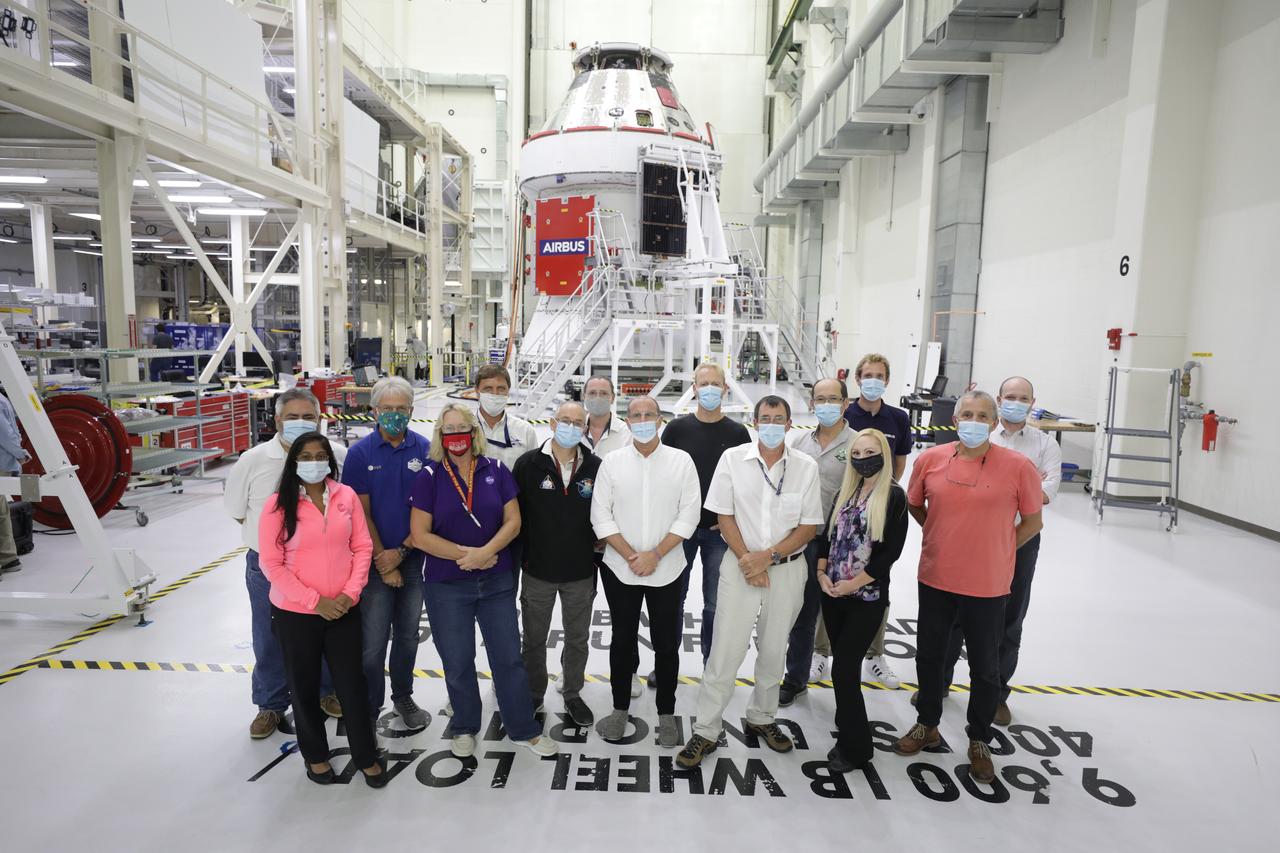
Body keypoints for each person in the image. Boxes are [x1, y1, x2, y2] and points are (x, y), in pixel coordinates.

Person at [893, 390, 1043, 785]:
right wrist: (941, 535)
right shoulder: (930, 459)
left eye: (981, 415)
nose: (973, 421)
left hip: (989, 583)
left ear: (993, 424)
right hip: (937, 576)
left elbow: (1032, 521)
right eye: (966, 414)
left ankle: (979, 737)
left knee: (985, 666)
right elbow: (915, 504)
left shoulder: (1019, 466)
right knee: (929, 655)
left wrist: (999, 549)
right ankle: (927, 724)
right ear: (954, 420)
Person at [677, 395, 823, 768]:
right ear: (755, 422)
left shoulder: (805, 467)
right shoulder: (733, 460)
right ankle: (706, 730)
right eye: (765, 417)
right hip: (739, 567)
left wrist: (768, 557)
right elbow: (723, 516)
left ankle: (763, 718)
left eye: (779, 418)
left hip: (787, 570)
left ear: (790, 425)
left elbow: (809, 526)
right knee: (725, 651)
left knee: (775, 650)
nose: (772, 424)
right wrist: (748, 560)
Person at [408, 403, 557, 759]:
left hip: (495, 581)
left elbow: (513, 522)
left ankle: (523, 728)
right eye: (449, 430)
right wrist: (467, 555)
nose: (456, 436)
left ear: (474, 433)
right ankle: (464, 724)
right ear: (440, 436)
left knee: (507, 658)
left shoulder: (496, 469)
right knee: (457, 659)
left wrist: (486, 552)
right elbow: (419, 536)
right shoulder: (428, 476)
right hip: (446, 584)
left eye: (463, 428)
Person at [256, 432, 387, 787]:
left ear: (329, 460)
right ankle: (315, 755)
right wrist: (316, 602)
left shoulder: (344, 497)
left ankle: (365, 754)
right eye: (306, 456)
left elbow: (361, 546)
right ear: (294, 462)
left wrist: (350, 592)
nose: (313, 462)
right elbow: (272, 564)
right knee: (304, 685)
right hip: (296, 613)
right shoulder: (276, 506)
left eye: (320, 455)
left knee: (352, 685)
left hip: (344, 608)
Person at [934, 376, 1060, 726]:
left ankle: (997, 695)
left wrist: (1010, 522)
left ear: (1033, 402)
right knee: (956, 612)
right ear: (998, 402)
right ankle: (940, 682)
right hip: (971, 538)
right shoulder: (979, 439)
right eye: (1009, 396)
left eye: (1023, 397)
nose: (1015, 402)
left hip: (1020, 537)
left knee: (1009, 618)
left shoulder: (1045, 445)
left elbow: (1045, 491)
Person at [224, 389, 348, 738]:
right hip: (267, 569)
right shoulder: (253, 460)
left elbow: (347, 507)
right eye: (292, 417)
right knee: (269, 635)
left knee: (323, 632)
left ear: (321, 419)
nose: (300, 423)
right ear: (276, 420)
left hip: (321, 567)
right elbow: (236, 512)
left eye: (308, 417)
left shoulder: (336, 456)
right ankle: (271, 705)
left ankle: (327, 693)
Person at [591, 395, 701, 747]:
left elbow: (689, 515)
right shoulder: (612, 462)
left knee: (667, 643)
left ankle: (666, 713)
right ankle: (620, 708)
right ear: (627, 419)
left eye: (648, 414)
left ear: (659, 419)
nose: (642, 419)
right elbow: (600, 516)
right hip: (619, 568)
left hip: (667, 567)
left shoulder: (681, 462)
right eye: (635, 415)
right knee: (622, 641)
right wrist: (631, 556)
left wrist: (654, 554)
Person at [340, 376, 431, 730]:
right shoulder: (359, 454)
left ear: (411, 411)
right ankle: (369, 704)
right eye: (387, 409)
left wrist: (401, 553)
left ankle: (403, 696)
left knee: (408, 636)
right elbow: (359, 513)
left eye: (401, 409)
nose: (394, 415)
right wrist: (383, 558)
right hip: (373, 562)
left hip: (412, 558)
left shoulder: (424, 449)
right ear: (374, 411)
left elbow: (429, 510)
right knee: (373, 642)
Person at [817, 429, 909, 772]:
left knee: (842, 670)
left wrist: (852, 584)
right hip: (833, 594)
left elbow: (888, 555)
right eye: (856, 453)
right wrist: (822, 574)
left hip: (865, 598)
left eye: (869, 452)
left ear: (883, 454)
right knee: (843, 666)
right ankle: (847, 729)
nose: (862, 458)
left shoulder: (893, 496)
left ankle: (857, 749)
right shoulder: (848, 491)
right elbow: (828, 537)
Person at [512, 401, 601, 727]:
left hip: (580, 571)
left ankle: (573, 693)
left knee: (577, 638)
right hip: (538, 570)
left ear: (585, 428)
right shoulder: (528, 465)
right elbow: (513, 515)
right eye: (565, 420)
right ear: (552, 423)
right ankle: (534, 693)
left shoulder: (596, 467)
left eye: (578, 422)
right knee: (534, 638)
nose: (571, 427)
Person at [661, 362, 751, 666]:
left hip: (720, 533)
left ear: (725, 389)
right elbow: (665, 475)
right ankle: (667, 664)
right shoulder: (676, 429)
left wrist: (732, 523)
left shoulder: (738, 433)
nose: (710, 389)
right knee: (674, 599)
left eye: (716, 383)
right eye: (704, 383)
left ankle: (711, 664)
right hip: (680, 531)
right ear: (694, 389)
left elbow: (746, 483)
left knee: (715, 602)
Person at [778, 378, 857, 707]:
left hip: (841, 544)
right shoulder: (797, 441)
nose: (826, 404)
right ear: (811, 404)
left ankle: (846, 680)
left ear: (845, 403)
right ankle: (795, 678)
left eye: (833, 398)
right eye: (820, 398)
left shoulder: (858, 443)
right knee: (803, 612)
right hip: (802, 539)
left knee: (842, 615)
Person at [841, 353, 914, 690]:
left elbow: (898, 464)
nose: (873, 380)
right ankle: (822, 650)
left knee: (877, 579)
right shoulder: (845, 412)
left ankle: (875, 653)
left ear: (887, 379)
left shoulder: (898, 418)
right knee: (835, 576)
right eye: (867, 374)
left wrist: (880, 494)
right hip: (846, 503)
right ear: (857, 378)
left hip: (881, 507)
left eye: (879, 375)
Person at [473, 364, 539, 469]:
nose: (495, 394)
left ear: (508, 391)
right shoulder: (464, 428)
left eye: (501, 388)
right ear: (477, 391)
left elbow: (533, 471)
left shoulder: (525, 431)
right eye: (488, 388)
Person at [0, 390, 30, 574]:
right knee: (2, 509)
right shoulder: (3, 398)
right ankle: (8, 557)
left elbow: (4, 433)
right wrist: (19, 452)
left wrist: (19, 453)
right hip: (5, 460)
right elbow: (13, 430)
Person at [581, 376, 632, 458]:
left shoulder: (627, 434)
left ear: (612, 398)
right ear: (584, 397)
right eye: (592, 393)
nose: (597, 398)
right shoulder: (574, 431)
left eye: (603, 393)